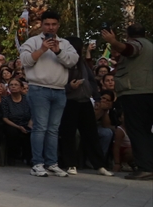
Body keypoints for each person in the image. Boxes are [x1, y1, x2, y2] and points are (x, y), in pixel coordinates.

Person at [19, 10, 78, 178]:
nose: (50, 27)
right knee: (40, 127)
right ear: (42, 25)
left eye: (53, 24)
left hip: (59, 90)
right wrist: (42, 49)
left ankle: (52, 163)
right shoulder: (32, 41)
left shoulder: (65, 43)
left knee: (53, 129)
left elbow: (73, 61)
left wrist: (58, 51)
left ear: (58, 25)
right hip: (39, 89)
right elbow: (25, 61)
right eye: (47, 24)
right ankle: (37, 164)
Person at [99, 24, 151, 180]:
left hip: (136, 92)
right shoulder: (149, 46)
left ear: (128, 35)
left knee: (137, 130)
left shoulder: (138, 44)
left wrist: (113, 41)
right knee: (145, 131)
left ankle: (146, 168)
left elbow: (129, 49)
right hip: (146, 92)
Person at [55, 37, 109, 176]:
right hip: (70, 101)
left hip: (85, 101)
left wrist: (96, 97)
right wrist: (69, 87)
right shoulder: (63, 63)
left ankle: (99, 165)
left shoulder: (83, 63)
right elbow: (57, 84)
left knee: (91, 134)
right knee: (69, 134)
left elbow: (91, 80)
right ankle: (70, 163)